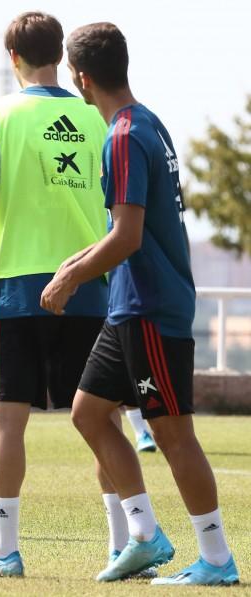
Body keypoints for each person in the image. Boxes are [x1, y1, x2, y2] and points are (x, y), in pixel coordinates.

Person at [40, 22, 240, 586]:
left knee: (175, 435)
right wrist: (74, 261)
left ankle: (219, 561)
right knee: (88, 413)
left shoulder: (124, 135)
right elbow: (126, 229)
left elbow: (128, 237)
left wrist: (70, 278)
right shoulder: (148, 122)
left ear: (80, 78)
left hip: (150, 309)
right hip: (129, 308)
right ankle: (146, 537)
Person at [0, 12, 116, 577]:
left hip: (20, 288)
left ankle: (5, 551)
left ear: (13, 58)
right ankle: (124, 543)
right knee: (104, 422)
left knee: (8, 417)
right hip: (90, 286)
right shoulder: (97, 116)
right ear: (61, 57)